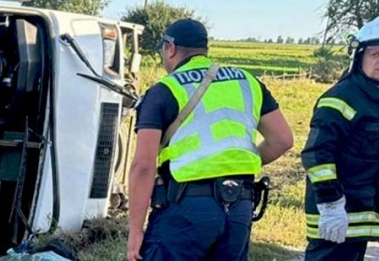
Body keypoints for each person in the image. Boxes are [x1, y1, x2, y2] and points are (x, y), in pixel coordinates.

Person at [126, 19, 294, 261]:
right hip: (239, 207)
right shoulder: (248, 81)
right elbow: (282, 139)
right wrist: (234, 164)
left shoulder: (164, 90)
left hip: (185, 209)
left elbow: (143, 165)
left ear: (170, 47)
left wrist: (134, 232)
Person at [300, 15, 379, 261]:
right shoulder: (341, 98)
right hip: (335, 215)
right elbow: (316, 154)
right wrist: (330, 204)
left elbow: (376, 157)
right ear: (360, 57)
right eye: (375, 54)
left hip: (358, 213)